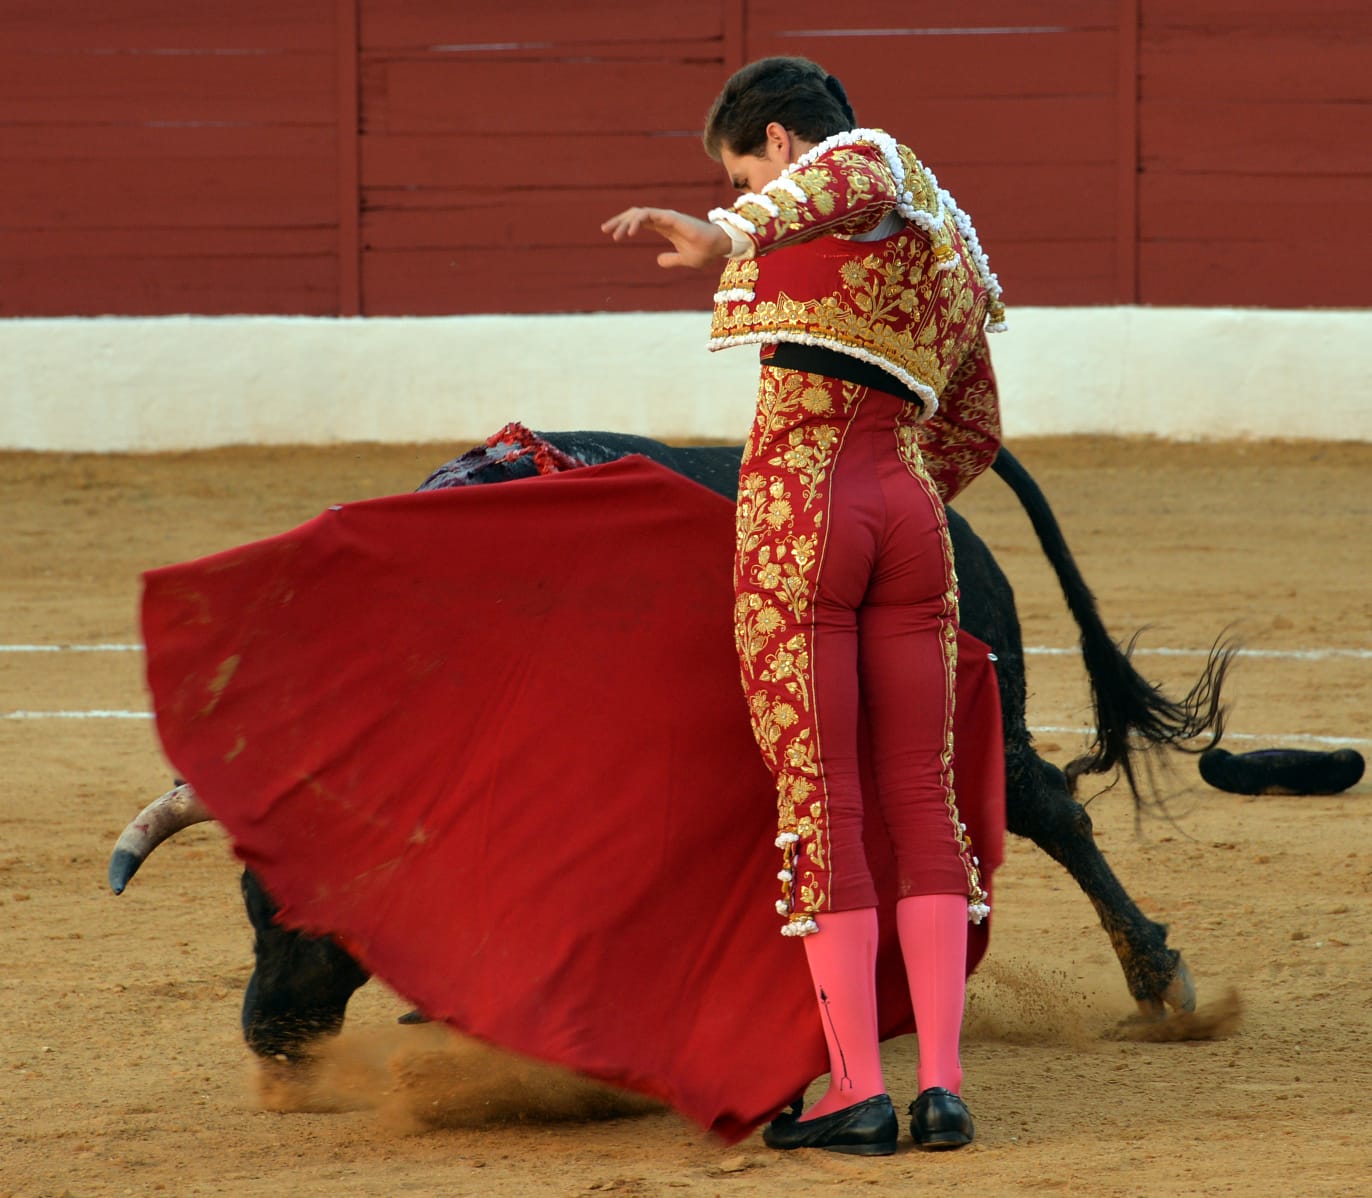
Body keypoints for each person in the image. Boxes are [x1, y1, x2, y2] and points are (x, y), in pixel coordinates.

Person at [602, 56, 1007, 1156]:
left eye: (741, 177)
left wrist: (730, 236)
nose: (739, 203)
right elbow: (974, 428)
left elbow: (851, 171)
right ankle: (946, 1088)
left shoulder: (860, 164)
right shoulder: (952, 250)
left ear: (779, 143)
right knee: (920, 795)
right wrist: (896, 490)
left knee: (822, 797)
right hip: (910, 511)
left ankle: (856, 1092)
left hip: (800, 511)